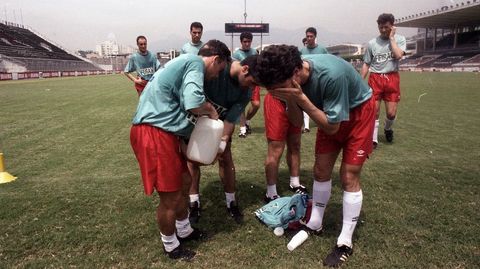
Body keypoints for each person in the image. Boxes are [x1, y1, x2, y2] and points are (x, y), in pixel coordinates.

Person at [251, 45, 375, 267]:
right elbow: (298, 122)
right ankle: (315, 222)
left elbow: (332, 128)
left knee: (348, 176)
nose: (277, 92)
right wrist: (291, 99)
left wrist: (301, 98)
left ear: (297, 72)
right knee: (320, 170)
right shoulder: (288, 78)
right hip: (329, 116)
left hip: (358, 114)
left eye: (280, 88)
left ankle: (345, 241)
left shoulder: (331, 76)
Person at [130, 40, 231, 261]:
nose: (215, 76)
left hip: (164, 132)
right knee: (171, 195)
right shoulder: (195, 62)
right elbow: (194, 103)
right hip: (154, 132)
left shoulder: (184, 62)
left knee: (185, 181)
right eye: (219, 70)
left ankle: (184, 230)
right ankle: (170, 245)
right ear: (215, 60)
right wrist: (212, 112)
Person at [187, 56, 259, 224]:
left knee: (225, 158)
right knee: (192, 159)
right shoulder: (217, 68)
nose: (252, 87)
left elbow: (230, 120)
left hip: (221, 123)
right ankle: (193, 201)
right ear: (245, 69)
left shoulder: (245, 91)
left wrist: (222, 142)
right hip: (197, 119)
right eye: (252, 82)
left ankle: (231, 201)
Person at [361, 13, 406, 147]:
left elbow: (398, 56)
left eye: (386, 27)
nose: (383, 30)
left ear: (392, 26)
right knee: (374, 111)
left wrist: (392, 38)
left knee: (391, 113)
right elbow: (366, 63)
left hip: (392, 78)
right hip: (375, 78)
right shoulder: (371, 43)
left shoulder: (400, 39)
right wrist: (359, 80)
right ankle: (373, 139)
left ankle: (387, 128)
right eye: (381, 27)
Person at [299, 27, 329, 133]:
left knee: (321, 102)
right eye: (307, 36)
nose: (309, 38)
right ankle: (306, 126)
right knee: (305, 100)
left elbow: (328, 64)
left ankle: (325, 121)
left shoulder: (322, 50)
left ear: (315, 37)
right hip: (306, 81)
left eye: (311, 36)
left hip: (320, 80)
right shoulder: (302, 51)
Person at [233, 32, 261, 138]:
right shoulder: (236, 54)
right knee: (241, 106)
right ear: (241, 42)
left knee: (256, 105)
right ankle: (242, 129)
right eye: (245, 41)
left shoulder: (255, 52)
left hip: (253, 83)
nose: (247, 44)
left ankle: (247, 121)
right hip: (242, 84)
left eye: (249, 41)